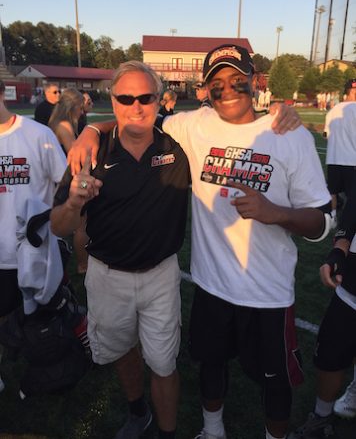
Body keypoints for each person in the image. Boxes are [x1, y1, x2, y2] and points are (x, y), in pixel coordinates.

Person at [66, 47, 324, 439]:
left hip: (268, 293)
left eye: (237, 79)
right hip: (211, 285)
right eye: (217, 83)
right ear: (205, 90)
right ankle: (212, 431)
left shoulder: (290, 134)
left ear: (256, 80)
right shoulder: (191, 124)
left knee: (275, 383)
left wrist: (277, 213)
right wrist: (89, 129)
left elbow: (321, 222)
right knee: (211, 365)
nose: (228, 89)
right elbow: (134, 121)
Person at [50, 61, 191, 439]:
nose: (136, 106)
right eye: (125, 98)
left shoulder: (179, 146)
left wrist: (280, 111)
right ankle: (137, 411)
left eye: (145, 97)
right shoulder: (89, 154)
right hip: (107, 275)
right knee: (122, 349)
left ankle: (167, 433)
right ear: (112, 101)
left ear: (159, 100)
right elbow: (57, 226)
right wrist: (74, 204)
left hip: (160, 275)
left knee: (163, 363)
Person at [0, 79, 66, 391]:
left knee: (42, 324)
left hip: (36, 253)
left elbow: (63, 186)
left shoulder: (38, 135)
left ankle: (46, 375)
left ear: (2, 94)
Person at [289, 193, 356, 438]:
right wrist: (339, 250)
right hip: (352, 288)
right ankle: (321, 415)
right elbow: (353, 209)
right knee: (330, 354)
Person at [48, 88, 88, 274]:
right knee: (81, 223)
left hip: (61, 177)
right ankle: (82, 265)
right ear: (73, 106)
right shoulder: (64, 125)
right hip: (66, 178)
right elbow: (76, 152)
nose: (82, 112)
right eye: (80, 107)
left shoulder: (58, 122)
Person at [323, 78, 356, 225]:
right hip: (352, 160)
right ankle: (350, 222)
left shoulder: (333, 110)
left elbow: (326, 135)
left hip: (334, 159)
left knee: (333, 191)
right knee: (353, 195)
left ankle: (333, 217)